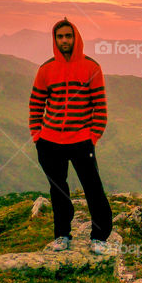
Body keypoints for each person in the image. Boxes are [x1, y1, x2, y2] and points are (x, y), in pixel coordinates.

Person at [28, 18, 112, 253]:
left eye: (68, 35)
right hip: (49, 142)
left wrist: (92, 136)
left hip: (80, 141)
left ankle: (100, 237)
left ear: (76, 37)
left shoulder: (91, 67)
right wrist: (37, 135)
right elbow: (36, 104)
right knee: (58, 190)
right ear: (54, 40)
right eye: (60, 37)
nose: (64, 40)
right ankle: (62, 235)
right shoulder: (46, 69)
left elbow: (100, 106)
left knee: (93, 187)